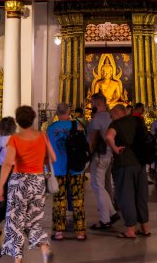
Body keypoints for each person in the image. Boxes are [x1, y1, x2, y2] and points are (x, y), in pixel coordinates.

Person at [0, 105, 56, 263]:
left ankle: (18, 258)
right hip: (37, 181)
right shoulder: (43, 136)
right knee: (33, 220)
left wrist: (1, 187)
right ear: (33, 118)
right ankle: (44, 248)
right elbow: (53, 158)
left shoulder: (14, 139)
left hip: (19, 182)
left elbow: (8, 163)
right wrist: (39, 160)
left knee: (15, 221)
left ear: (17, 121)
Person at [105, 104, 150, 238]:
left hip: (124, 163)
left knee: (126, 196)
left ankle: (130, 230)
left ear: (116, 112)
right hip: (140, 162)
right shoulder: (137, 120)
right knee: (141, 195)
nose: (110, 116)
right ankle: (145, 228)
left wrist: (115, 148)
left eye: (111, 114)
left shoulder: (116, 124)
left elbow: (108, 137)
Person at [47, 103, 87, 241]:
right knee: (78, 199)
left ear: (57, 113)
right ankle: (80, 232)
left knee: (59, 200)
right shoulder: (78, 126)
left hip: (58, 169)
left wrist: (47, 170)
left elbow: (47, 150)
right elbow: (84, 146)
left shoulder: (51, 128)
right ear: (69, 112)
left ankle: (59, 232)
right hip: (76, 168)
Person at [89, 93, 119, 230]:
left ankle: (104, 220)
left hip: (99, 156)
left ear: (96, 103)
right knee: (101, 186)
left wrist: (88, 153)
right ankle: (112, 213)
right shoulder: (110, 117)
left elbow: (93, 139)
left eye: (91, 103)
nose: (90, 105)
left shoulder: (97, 119)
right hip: (109, 155)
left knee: (97, 187)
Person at [0, 116, 17, 236]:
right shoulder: (17, 140)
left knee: (0, 197)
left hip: (2, 171)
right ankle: (13, 226)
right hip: (15, 170)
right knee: (15, 198)